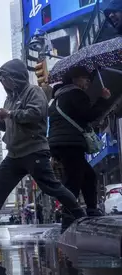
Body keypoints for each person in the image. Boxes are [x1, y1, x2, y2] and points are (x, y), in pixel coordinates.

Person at [0, 59, 86, 239]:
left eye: (6, 78)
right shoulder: (9, 99)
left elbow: (36, 114)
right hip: (14, 154)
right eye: (2, 79)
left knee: (51, 187)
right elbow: (10, 124)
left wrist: (10, 114)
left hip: (33, 150)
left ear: (17, 77)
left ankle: (79, 214)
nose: (4, 82)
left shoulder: (33, 91)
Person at [48, 66, 111, 216]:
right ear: (74, 79)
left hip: (58, 143)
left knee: (87, 175)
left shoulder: (58, 97)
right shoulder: (75, 93)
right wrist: (103, 99)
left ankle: (91, 209)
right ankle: (69, 214)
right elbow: (89, 115)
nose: (87, 83)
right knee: (74, 179)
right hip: (71, 143)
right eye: (85, 79)